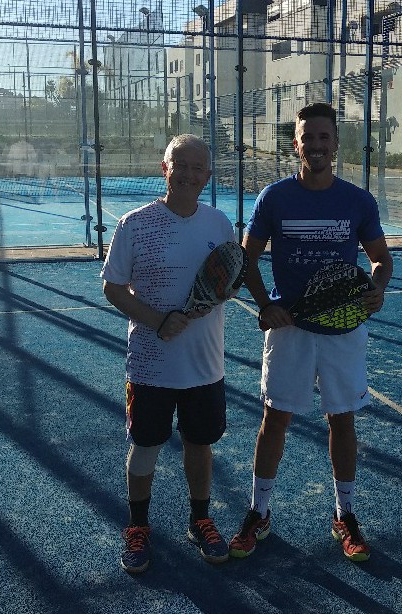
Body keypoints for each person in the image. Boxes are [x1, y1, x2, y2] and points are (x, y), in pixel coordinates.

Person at [228, 102, 393, 562]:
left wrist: (377, 288)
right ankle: (259, 511)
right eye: (308, 137)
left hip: (343, 329)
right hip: (290, 330)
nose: (316, 145)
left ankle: (345, 515)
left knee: (342, 419)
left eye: (324, 137)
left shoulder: (358, 201)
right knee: (275, 418)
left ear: (335, 143)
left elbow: (381, 260)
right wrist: (266, 305)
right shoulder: (274, 198)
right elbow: (246, 258)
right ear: (296, 144)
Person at [101, 134, 235, 573]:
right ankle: (138, 527)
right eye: (181, 164)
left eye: (198, 167)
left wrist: (212, 299)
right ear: (165, 169)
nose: (189, 174)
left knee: (200, 445)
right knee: (145, 447)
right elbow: (113, 288)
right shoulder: (135, 224)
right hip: (150, 366)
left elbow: (227, 281)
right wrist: (158, 320)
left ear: (208, 176)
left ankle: (200, 520)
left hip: (205, 365)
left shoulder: (219, 224)